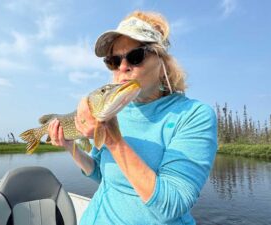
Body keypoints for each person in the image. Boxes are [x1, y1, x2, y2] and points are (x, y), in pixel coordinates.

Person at [48, 10, 218, 225]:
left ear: (162, 61)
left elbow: (171, 206)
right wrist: (69, 145)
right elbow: (102, 175)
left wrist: (111, 137)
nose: (122, 67)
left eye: (135, 56)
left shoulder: (194, 115)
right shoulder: (116, 110)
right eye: (113, 60)